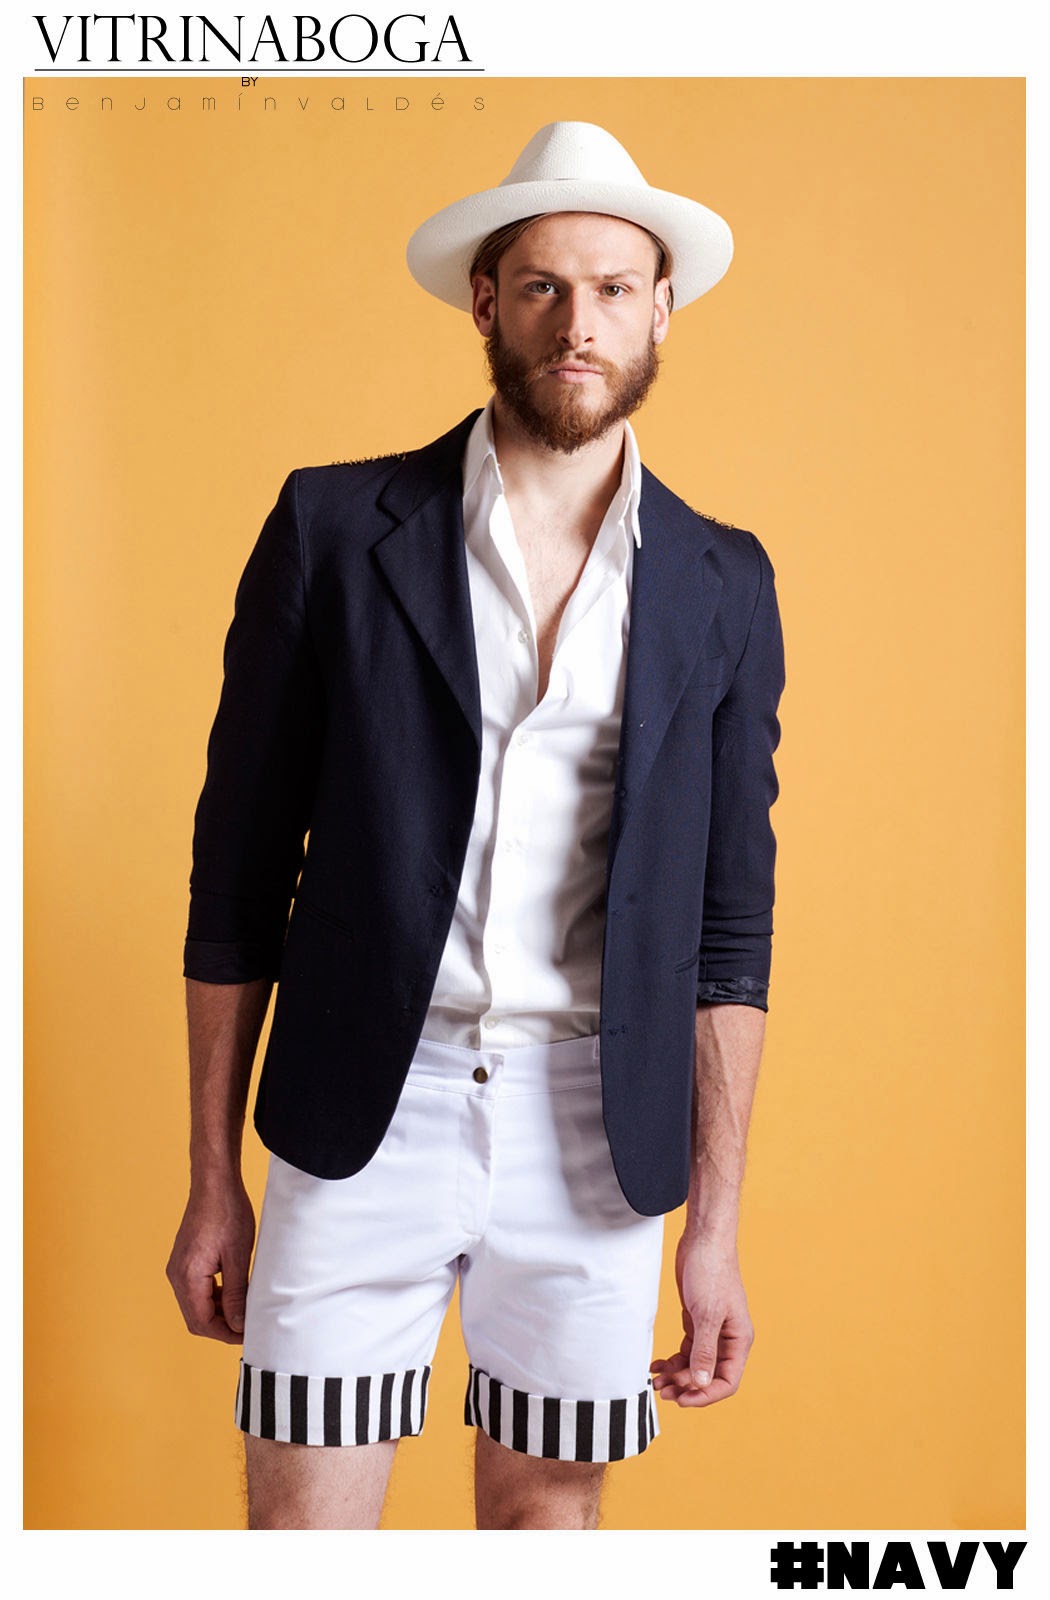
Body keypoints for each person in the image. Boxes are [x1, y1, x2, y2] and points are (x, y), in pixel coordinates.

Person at [166, 120, 785, 1532]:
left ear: (662, 308)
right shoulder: (332, 530)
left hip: (595, 1135)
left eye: (613, 289)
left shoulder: (722, 582)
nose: (579, 325)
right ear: (485, 302)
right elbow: (236, 877)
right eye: (544, 287)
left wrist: (715, 1229)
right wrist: (212, 1179)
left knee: (540, 1539)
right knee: (303, 1543)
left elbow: (728, 933)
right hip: (358, 1116)